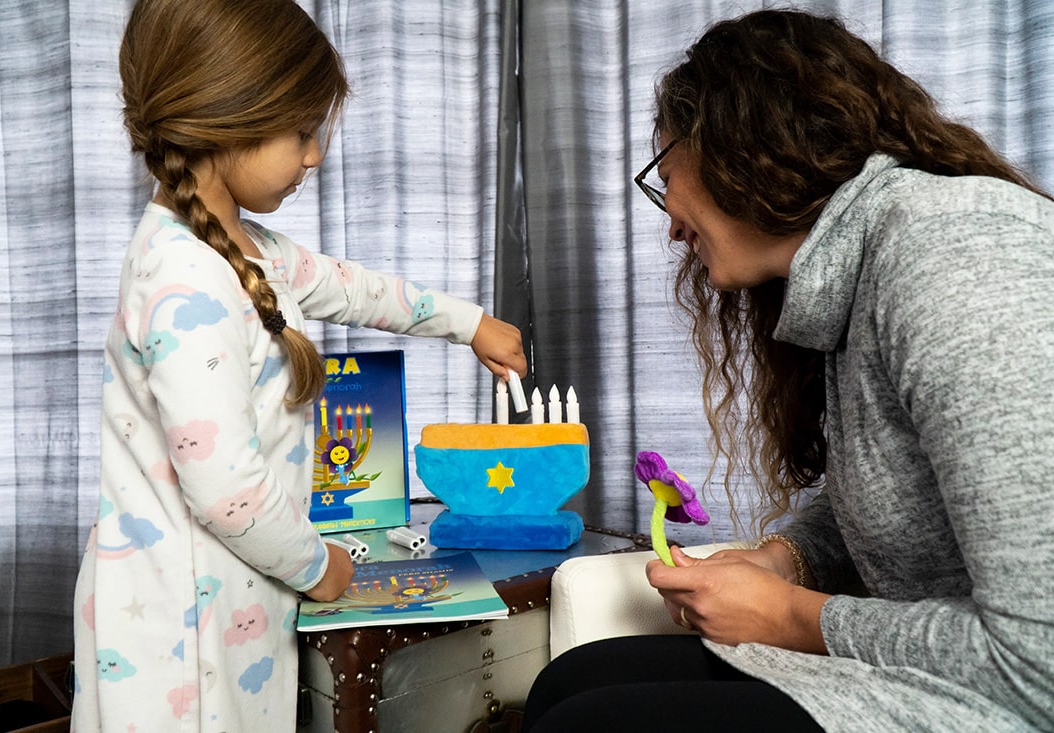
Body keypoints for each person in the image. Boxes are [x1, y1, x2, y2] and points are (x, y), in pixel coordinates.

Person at [523, 8, 1053, 733]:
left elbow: (1039, 657)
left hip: (1003, 695)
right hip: (935, 673)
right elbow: (896, 489)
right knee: (568, 685)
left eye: (667, 173)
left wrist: (794, 617)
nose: (672, 220)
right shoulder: (860, 267)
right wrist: (786, 561)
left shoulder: (951, 258)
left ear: (746, 146)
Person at [71, 0, 526, 729]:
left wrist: (470, 324)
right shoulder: (182, 280)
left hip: (236, 618)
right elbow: (225, 489)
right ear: (229, 117)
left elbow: (357, 288)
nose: (314, 157)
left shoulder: (249, 252)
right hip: (179, 645)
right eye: (302, 132)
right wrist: (320, 566)